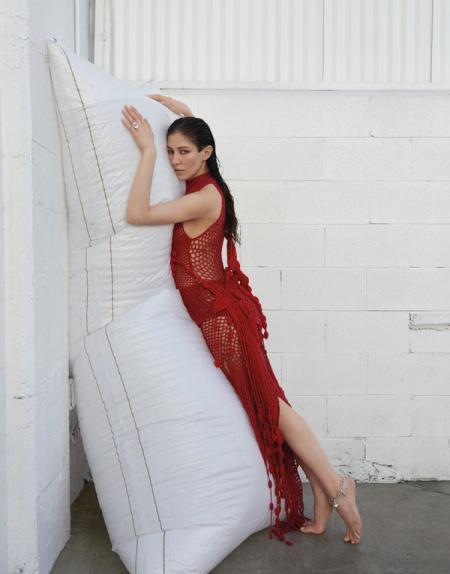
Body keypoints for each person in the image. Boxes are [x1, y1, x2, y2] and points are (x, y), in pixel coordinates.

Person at [121, 95, 363, 546]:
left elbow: (137, 214)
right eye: (170, 151)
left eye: (183, 152)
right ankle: (323, 490)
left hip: (221, 320)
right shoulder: (209, 183)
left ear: (206, 153)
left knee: (272, 408)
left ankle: (337, 487)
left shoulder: (202, 197)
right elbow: (194, 139)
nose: (175, 161)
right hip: (226, 312)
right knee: (274, 405)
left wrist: (148, 150)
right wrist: (180, 110)